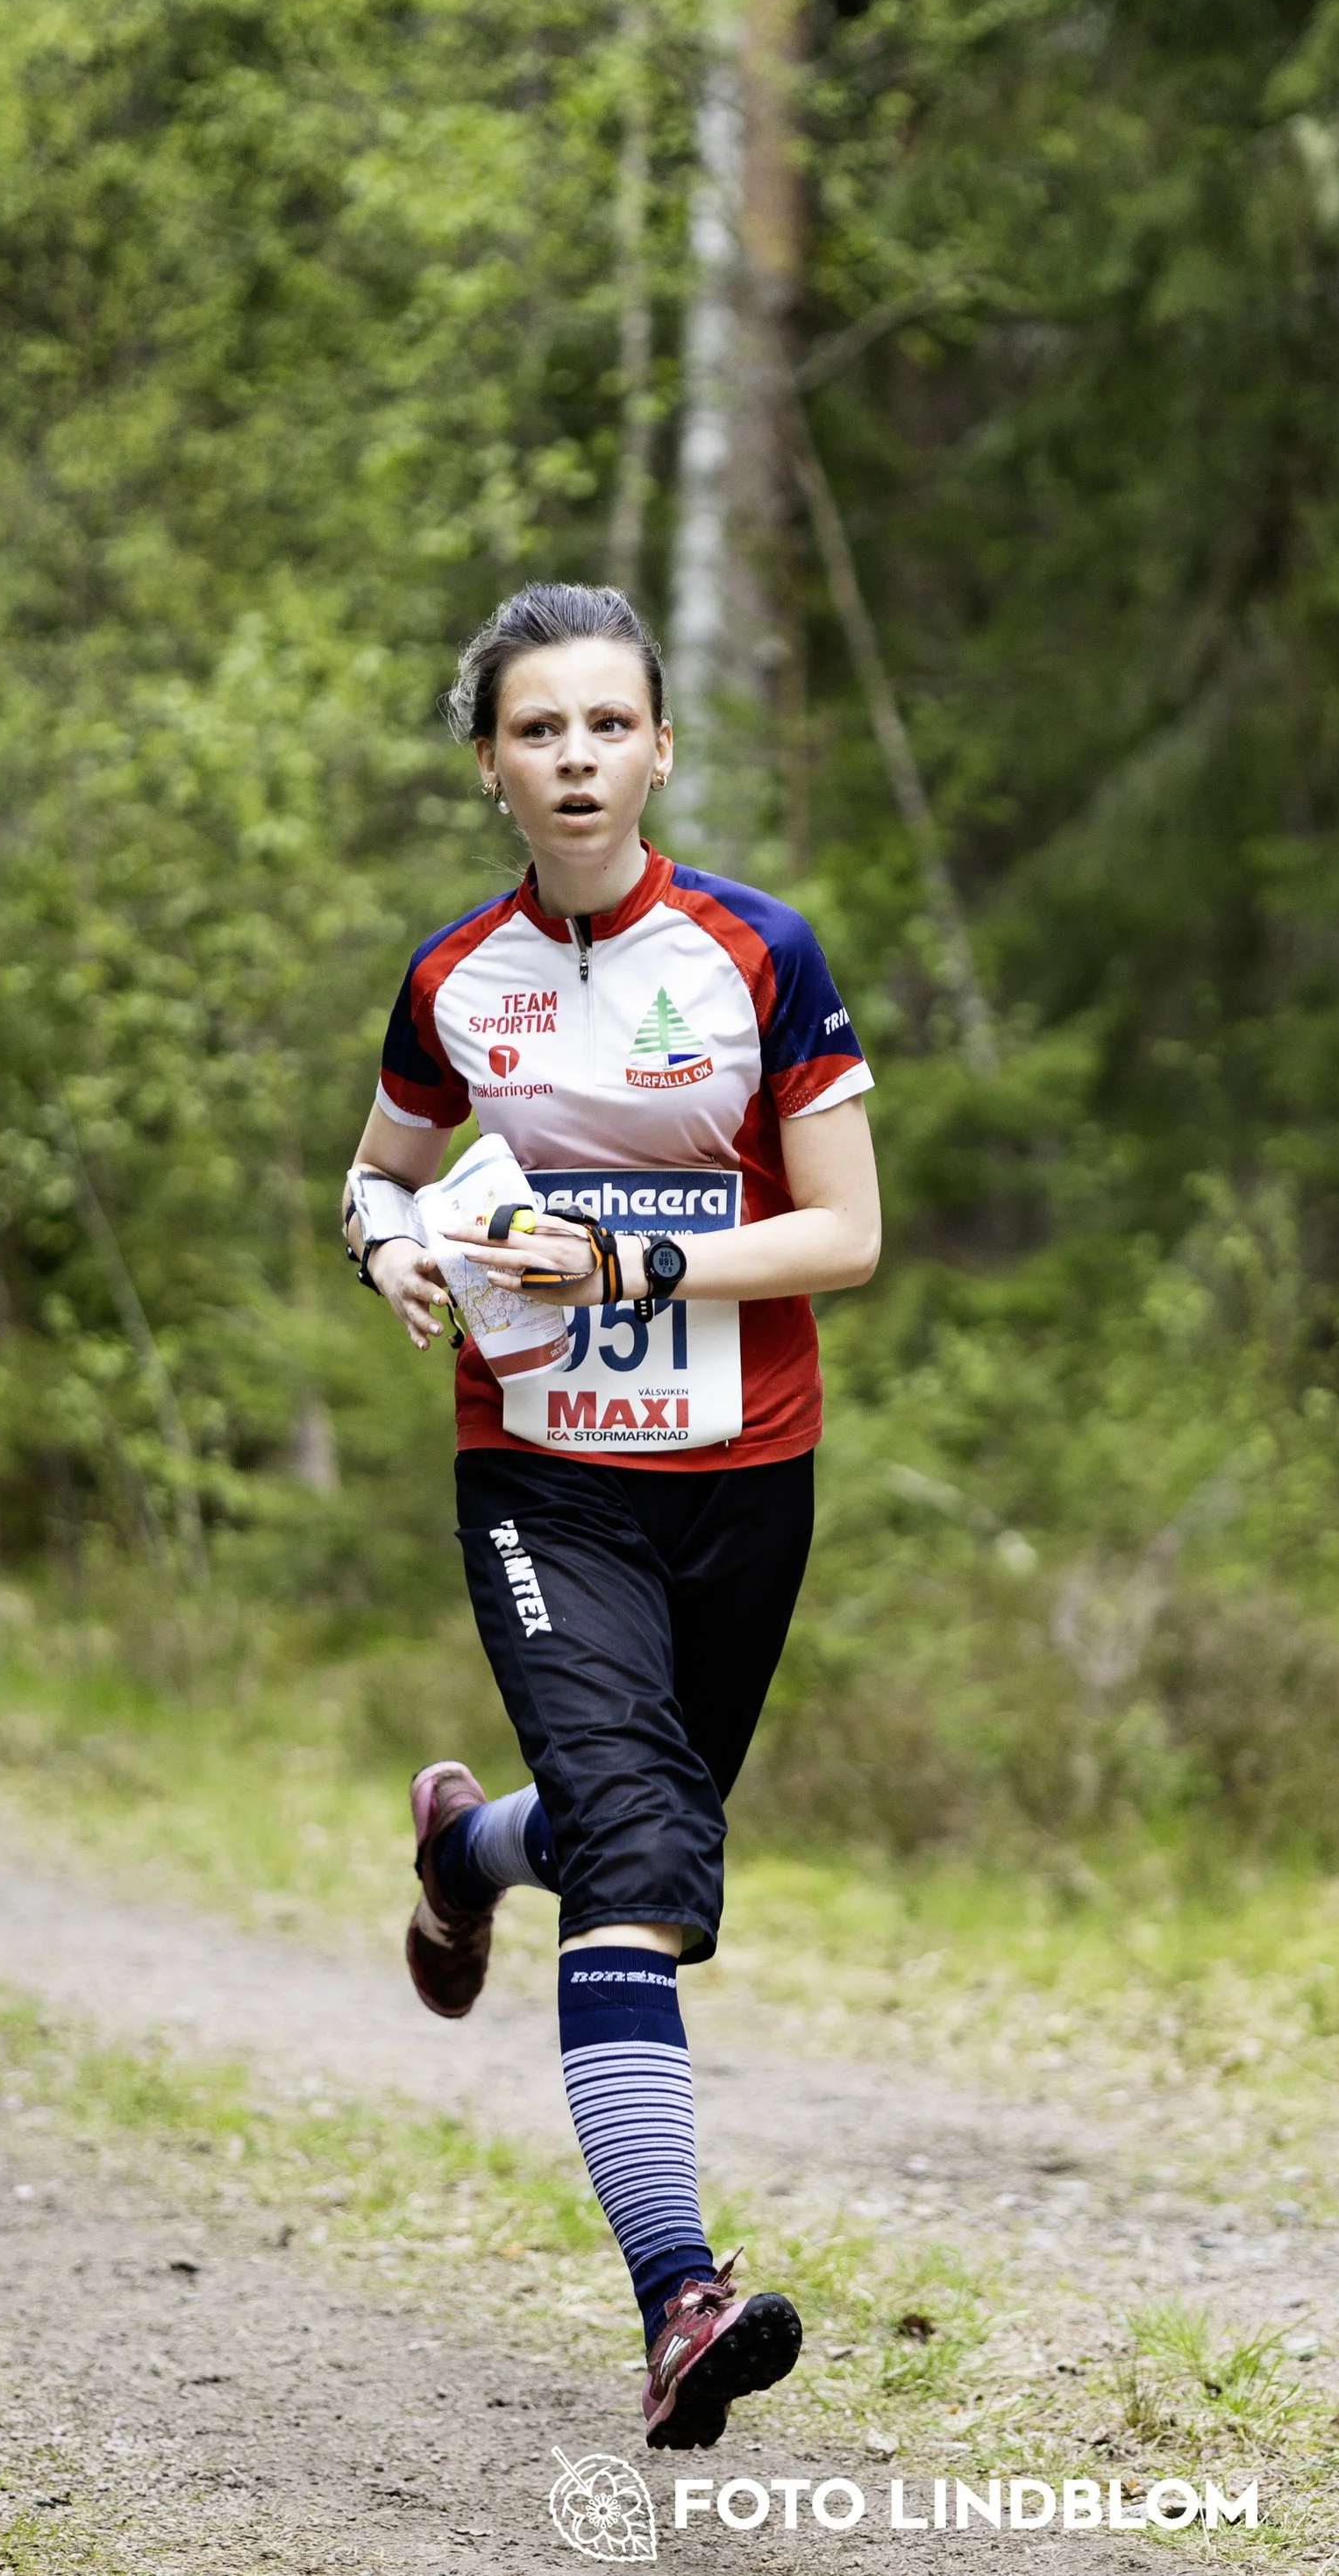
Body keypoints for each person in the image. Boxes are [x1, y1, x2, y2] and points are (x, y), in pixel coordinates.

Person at [338, 583, 880, 2453]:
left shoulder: (755, 952)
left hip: (744, 1469)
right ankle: (678, 2294)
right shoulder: (449, 977)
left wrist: (624, 1244)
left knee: (638, 1817)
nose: (572, 756)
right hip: (540, 1477)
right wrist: (390, 1247)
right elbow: (378, 1169)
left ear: (658, 745)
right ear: (489, 764)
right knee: (642, 1852)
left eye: (604, 724)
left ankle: (468, 1850)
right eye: (534, 729)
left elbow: (845, 1231)